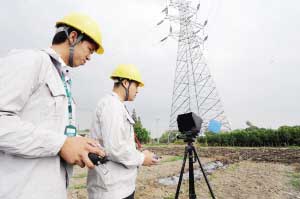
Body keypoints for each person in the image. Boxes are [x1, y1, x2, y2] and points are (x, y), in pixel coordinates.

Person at [0, 12, 105, 199]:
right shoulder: (31, 61)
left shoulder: (60, 79)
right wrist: (60, 144)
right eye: (89, 49)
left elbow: (46, 128)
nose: (89, 58)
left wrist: (78, 143)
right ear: (73, 37)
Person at [87, 64, 158, 199]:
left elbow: (120, 143)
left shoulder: (117, 106)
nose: (138, 91)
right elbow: (116, 148)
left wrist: (140, 153)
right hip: (112, 190)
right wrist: (142, 158)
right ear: (126, 83)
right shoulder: (111, 106)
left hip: (121, 187)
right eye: (136, 86)